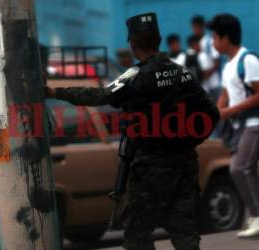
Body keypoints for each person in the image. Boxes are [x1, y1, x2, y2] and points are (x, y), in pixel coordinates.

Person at [45, 12, 219, 250]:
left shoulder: (135, 76)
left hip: (149, 168)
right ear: (159, 39)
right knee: (185, 232)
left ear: (133, 44)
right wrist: (190, 140)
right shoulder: (183, 73)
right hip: (185, 164)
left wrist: (56, 93)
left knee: (138, 235)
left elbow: (99, 95)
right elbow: (212, 113)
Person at [207, 13, 259, 238]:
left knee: (238, 167)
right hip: (240, 126)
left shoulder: (248, 60)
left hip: (254, 123)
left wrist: (230, 111)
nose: (213, 42)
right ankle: (255, 215)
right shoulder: (228, 65)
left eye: (215, 37)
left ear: (225, 38)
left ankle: (257, 216)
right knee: (251, 171)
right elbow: (226, 95)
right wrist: (217, 111)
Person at [191, 15, 221, 101]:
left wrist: (206, 74)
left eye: (197, 27)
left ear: (202, 27)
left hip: (214, 83)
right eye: (194, 27)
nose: (195, 29)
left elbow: (217, 62)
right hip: (202, 85)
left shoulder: (209, 41)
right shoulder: (194, 42)